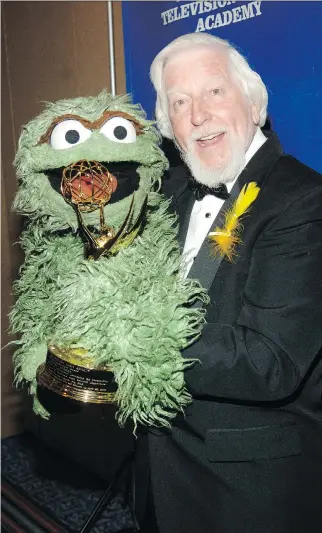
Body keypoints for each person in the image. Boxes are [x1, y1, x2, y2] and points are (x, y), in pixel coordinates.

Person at [139, 32, 322, 533]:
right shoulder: (169, 193)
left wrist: (130, 338)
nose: (198, 114)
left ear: (254, 102)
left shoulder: (304, 201)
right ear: (170, 129)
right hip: (163, 468)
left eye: (214, 91)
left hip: (251, 492)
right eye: (180, 102)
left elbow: (270, 361)